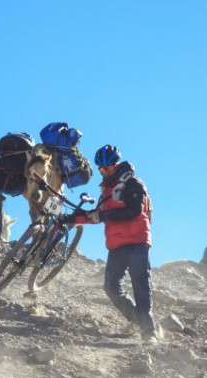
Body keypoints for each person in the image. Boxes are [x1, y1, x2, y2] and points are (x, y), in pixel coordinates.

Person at [65, 144, 157, 342]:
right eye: (101, 169)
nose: (104, 172)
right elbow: (98, 215)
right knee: (111, 286)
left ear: (117, 165)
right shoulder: (107, 189)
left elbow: (133, 211)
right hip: (117, 244)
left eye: (108, 168)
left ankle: (149, 331)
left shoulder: (133, 183)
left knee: (140, 284)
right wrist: (74, 219)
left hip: (137, 241)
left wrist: (103, 215)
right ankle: (136, 320)